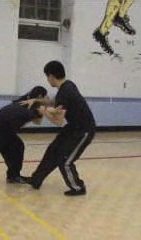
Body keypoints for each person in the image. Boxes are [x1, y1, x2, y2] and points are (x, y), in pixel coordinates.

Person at [22, 61, 96, 196]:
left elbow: (58, 120)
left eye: (47, 77)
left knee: (65, 160)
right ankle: (36, 180)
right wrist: (36, 100)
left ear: (51, 76)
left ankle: (78, 188)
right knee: (53, 150)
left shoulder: (66, 91)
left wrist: (43, 111)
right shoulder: (67, 86)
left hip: (84, 130)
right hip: (73, 127)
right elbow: (54, 103)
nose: (47, 80)